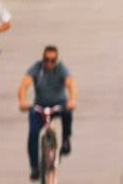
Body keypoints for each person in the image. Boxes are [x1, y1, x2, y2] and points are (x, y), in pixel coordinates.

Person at [18, 45, 77, 181]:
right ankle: (34, 168)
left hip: (58, 105)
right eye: (46, 60)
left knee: (67, 112)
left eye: (52, 60)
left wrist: (72, 100)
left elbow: (71, 84)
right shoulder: (37, 68)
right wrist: (22, 101)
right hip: (39, 107)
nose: (49, 63)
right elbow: (24, 86)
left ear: (56, 60)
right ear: (43, 58)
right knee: (33, 133)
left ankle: (66, 139)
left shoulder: (61, 68)